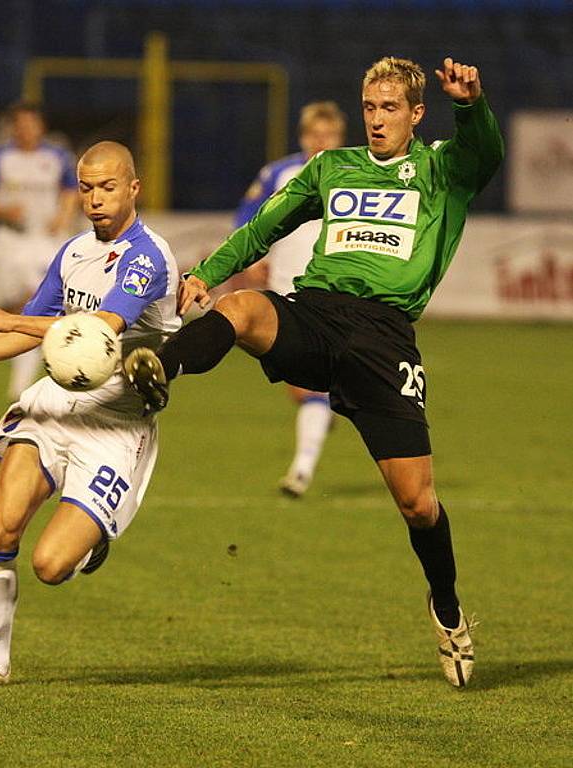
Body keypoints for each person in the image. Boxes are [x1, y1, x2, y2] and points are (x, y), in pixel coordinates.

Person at [125, 57, 504, 688]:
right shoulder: (332, 169)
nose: (377, 119)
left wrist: (471, 104)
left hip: (385, 341)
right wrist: (206, 274)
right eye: (370, 107)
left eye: (390, 109)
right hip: (317, 313)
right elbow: (265, 226)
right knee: (242, 310)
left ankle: (447, 608)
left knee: (417, 504)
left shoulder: (441, 169)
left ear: (416, 114)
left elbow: (483, 150)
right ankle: (157, 371)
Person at [0, 141, 181, 688]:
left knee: (50, 566)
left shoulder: (147, 258)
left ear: (133, 188)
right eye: (86, 188)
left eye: (107, 187)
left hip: (115, 423)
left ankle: (91, 540)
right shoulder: (74, 251)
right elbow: (27, 328)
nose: (95, 199)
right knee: (3, 523)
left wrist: (8, 318)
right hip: (53, 406)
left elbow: (97, 333)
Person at [235, 101, 346, 497]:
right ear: (303, 136)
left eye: (328, 135)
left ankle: (300, 471)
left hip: (333, 288)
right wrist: (255, 258)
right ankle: (325, 406)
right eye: (315, 134)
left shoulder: (353, 173)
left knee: (309, 385)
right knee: (300, 387)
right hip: (283, 287)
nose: (321, 141)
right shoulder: (279, 173)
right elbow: (249, 218)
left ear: (339, 137)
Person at [0, 102, 78, 400]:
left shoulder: (56, 156)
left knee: (36, 304)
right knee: (17, 307)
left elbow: (71, 188)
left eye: (31, 123)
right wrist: (2, 210)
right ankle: (33, 376)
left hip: (46, 242)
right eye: (20, 124)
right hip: (9, 242)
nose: (26, 129)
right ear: (13, 127)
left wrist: (63, 216)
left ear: (41, 126)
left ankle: (24, 382)